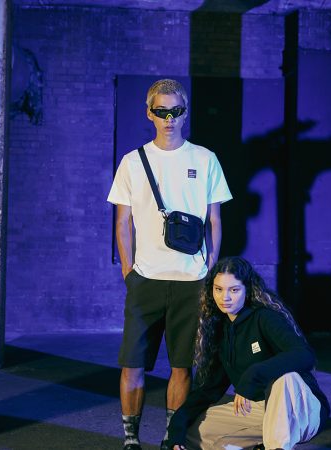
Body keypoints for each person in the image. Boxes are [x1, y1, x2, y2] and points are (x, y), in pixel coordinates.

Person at [107, 79, 233, 450]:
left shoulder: (205, 159)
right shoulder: (133, 161)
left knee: (182, 366)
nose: (169, 119)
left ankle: (170, 438)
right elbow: (122, 222)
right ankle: (131, 438)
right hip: (145, 279)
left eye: (175, 111)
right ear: (149, 114)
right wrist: (128, 272)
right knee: (132, 364)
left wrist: (209, 269)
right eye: (161, 111)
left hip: (191, 282)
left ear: (185, 113)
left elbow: (215, 220)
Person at [166, 256, 330, 450]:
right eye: (218, 289)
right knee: (194, 431)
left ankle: (275, 446)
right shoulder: (219, 331)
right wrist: (176, 430)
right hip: (260, 411)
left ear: (247, 290)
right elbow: (207, 391)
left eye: (234, 290)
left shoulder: (265, 318)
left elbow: (305, 355)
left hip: (301, 409)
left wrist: (254, 374)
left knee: (286, 378)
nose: (225, 297)